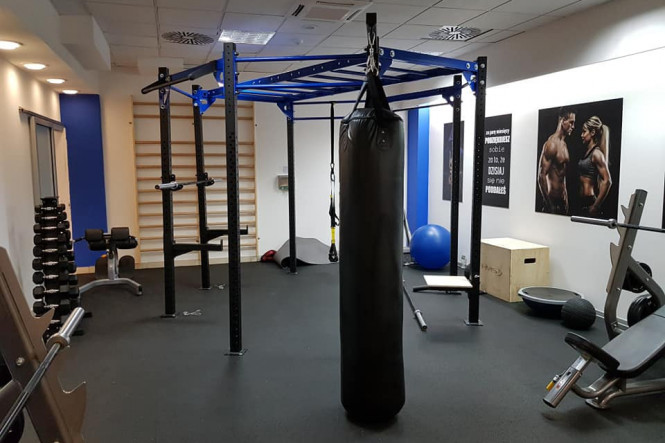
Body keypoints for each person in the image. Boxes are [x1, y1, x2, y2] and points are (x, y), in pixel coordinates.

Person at [538, 108, 576, 214]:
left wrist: (566, 197)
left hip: (562, 201)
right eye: (571, 122)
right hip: (552, 201)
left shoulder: (564, 145)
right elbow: (541, 176)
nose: (573, 126)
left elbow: (562, 175)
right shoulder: (551, 144)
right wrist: (549, 204)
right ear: (562, 120)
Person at [578, 115, 611, 216]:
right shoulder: (587, 152)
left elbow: (607, 181)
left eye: (584, 132)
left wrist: (595, 206)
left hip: (590, 202)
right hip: (582, 202)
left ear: (592, 133)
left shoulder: (596, 154)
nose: (581, 135)